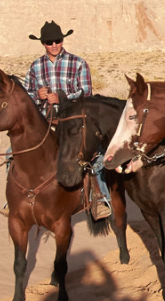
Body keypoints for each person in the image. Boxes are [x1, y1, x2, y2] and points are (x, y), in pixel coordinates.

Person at [18, 21, 106, 216]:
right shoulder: (35, 66)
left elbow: (86, 91)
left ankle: (101, 199)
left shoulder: (78, 63)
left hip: (72, 121)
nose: (54, 45)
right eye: (49, 42)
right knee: (12, 154)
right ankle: (17, 200)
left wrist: (63, 97)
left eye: (57, 40)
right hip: (43, 123)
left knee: (94, 155)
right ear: (43, 44)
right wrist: (37, 95)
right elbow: (26, 95)